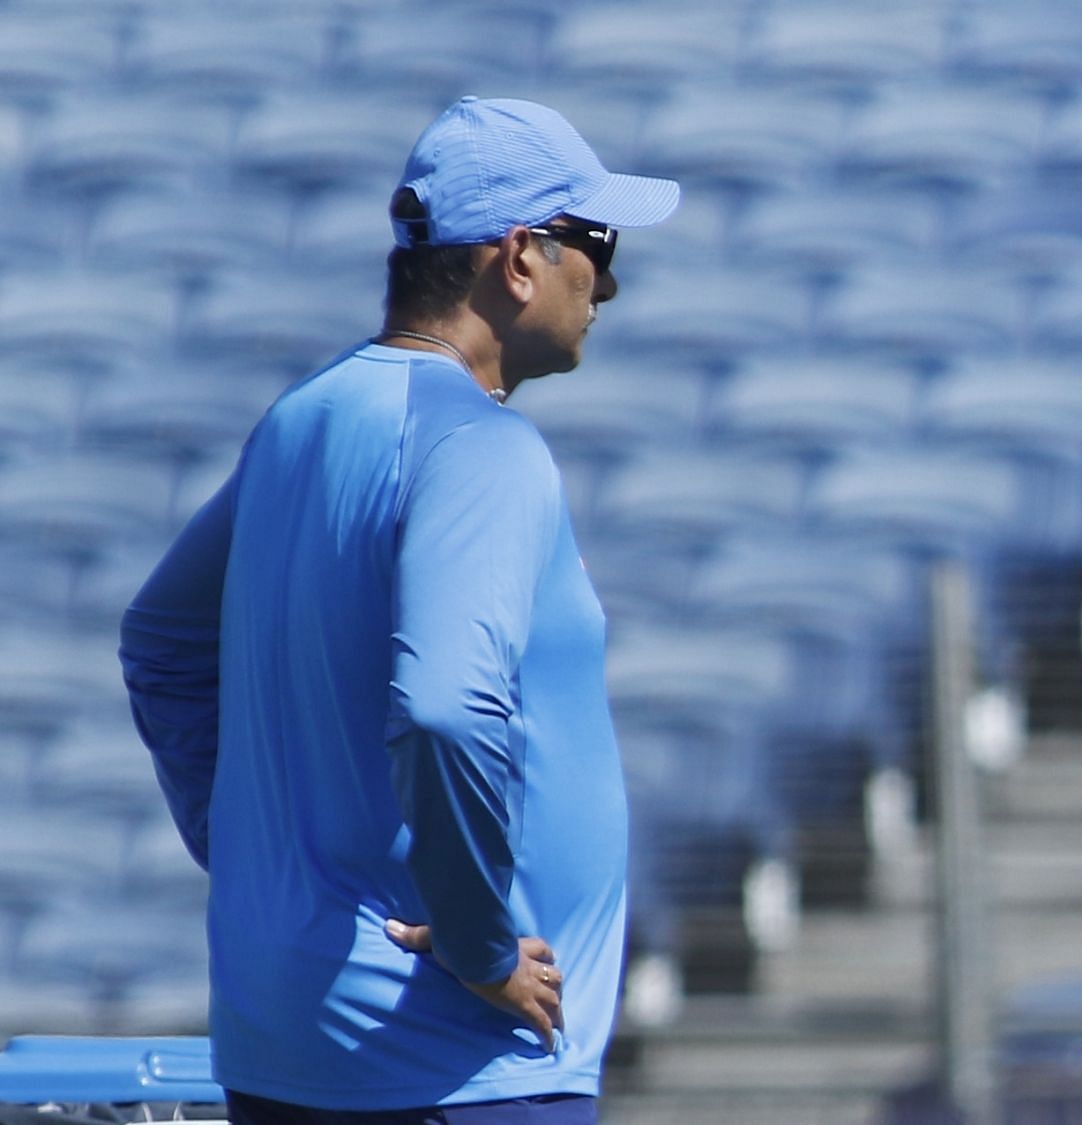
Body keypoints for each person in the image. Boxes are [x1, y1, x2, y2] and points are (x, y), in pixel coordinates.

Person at [119, 96, 680, 1123]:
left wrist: (270, 876)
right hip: (456, 1060)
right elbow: (442, 708)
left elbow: (160, 643)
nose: (607, 282)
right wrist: (475, 941)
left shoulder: (301, 419)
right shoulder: (480, 443)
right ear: (519, 258)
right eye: (592, 244)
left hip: (289, 1034)